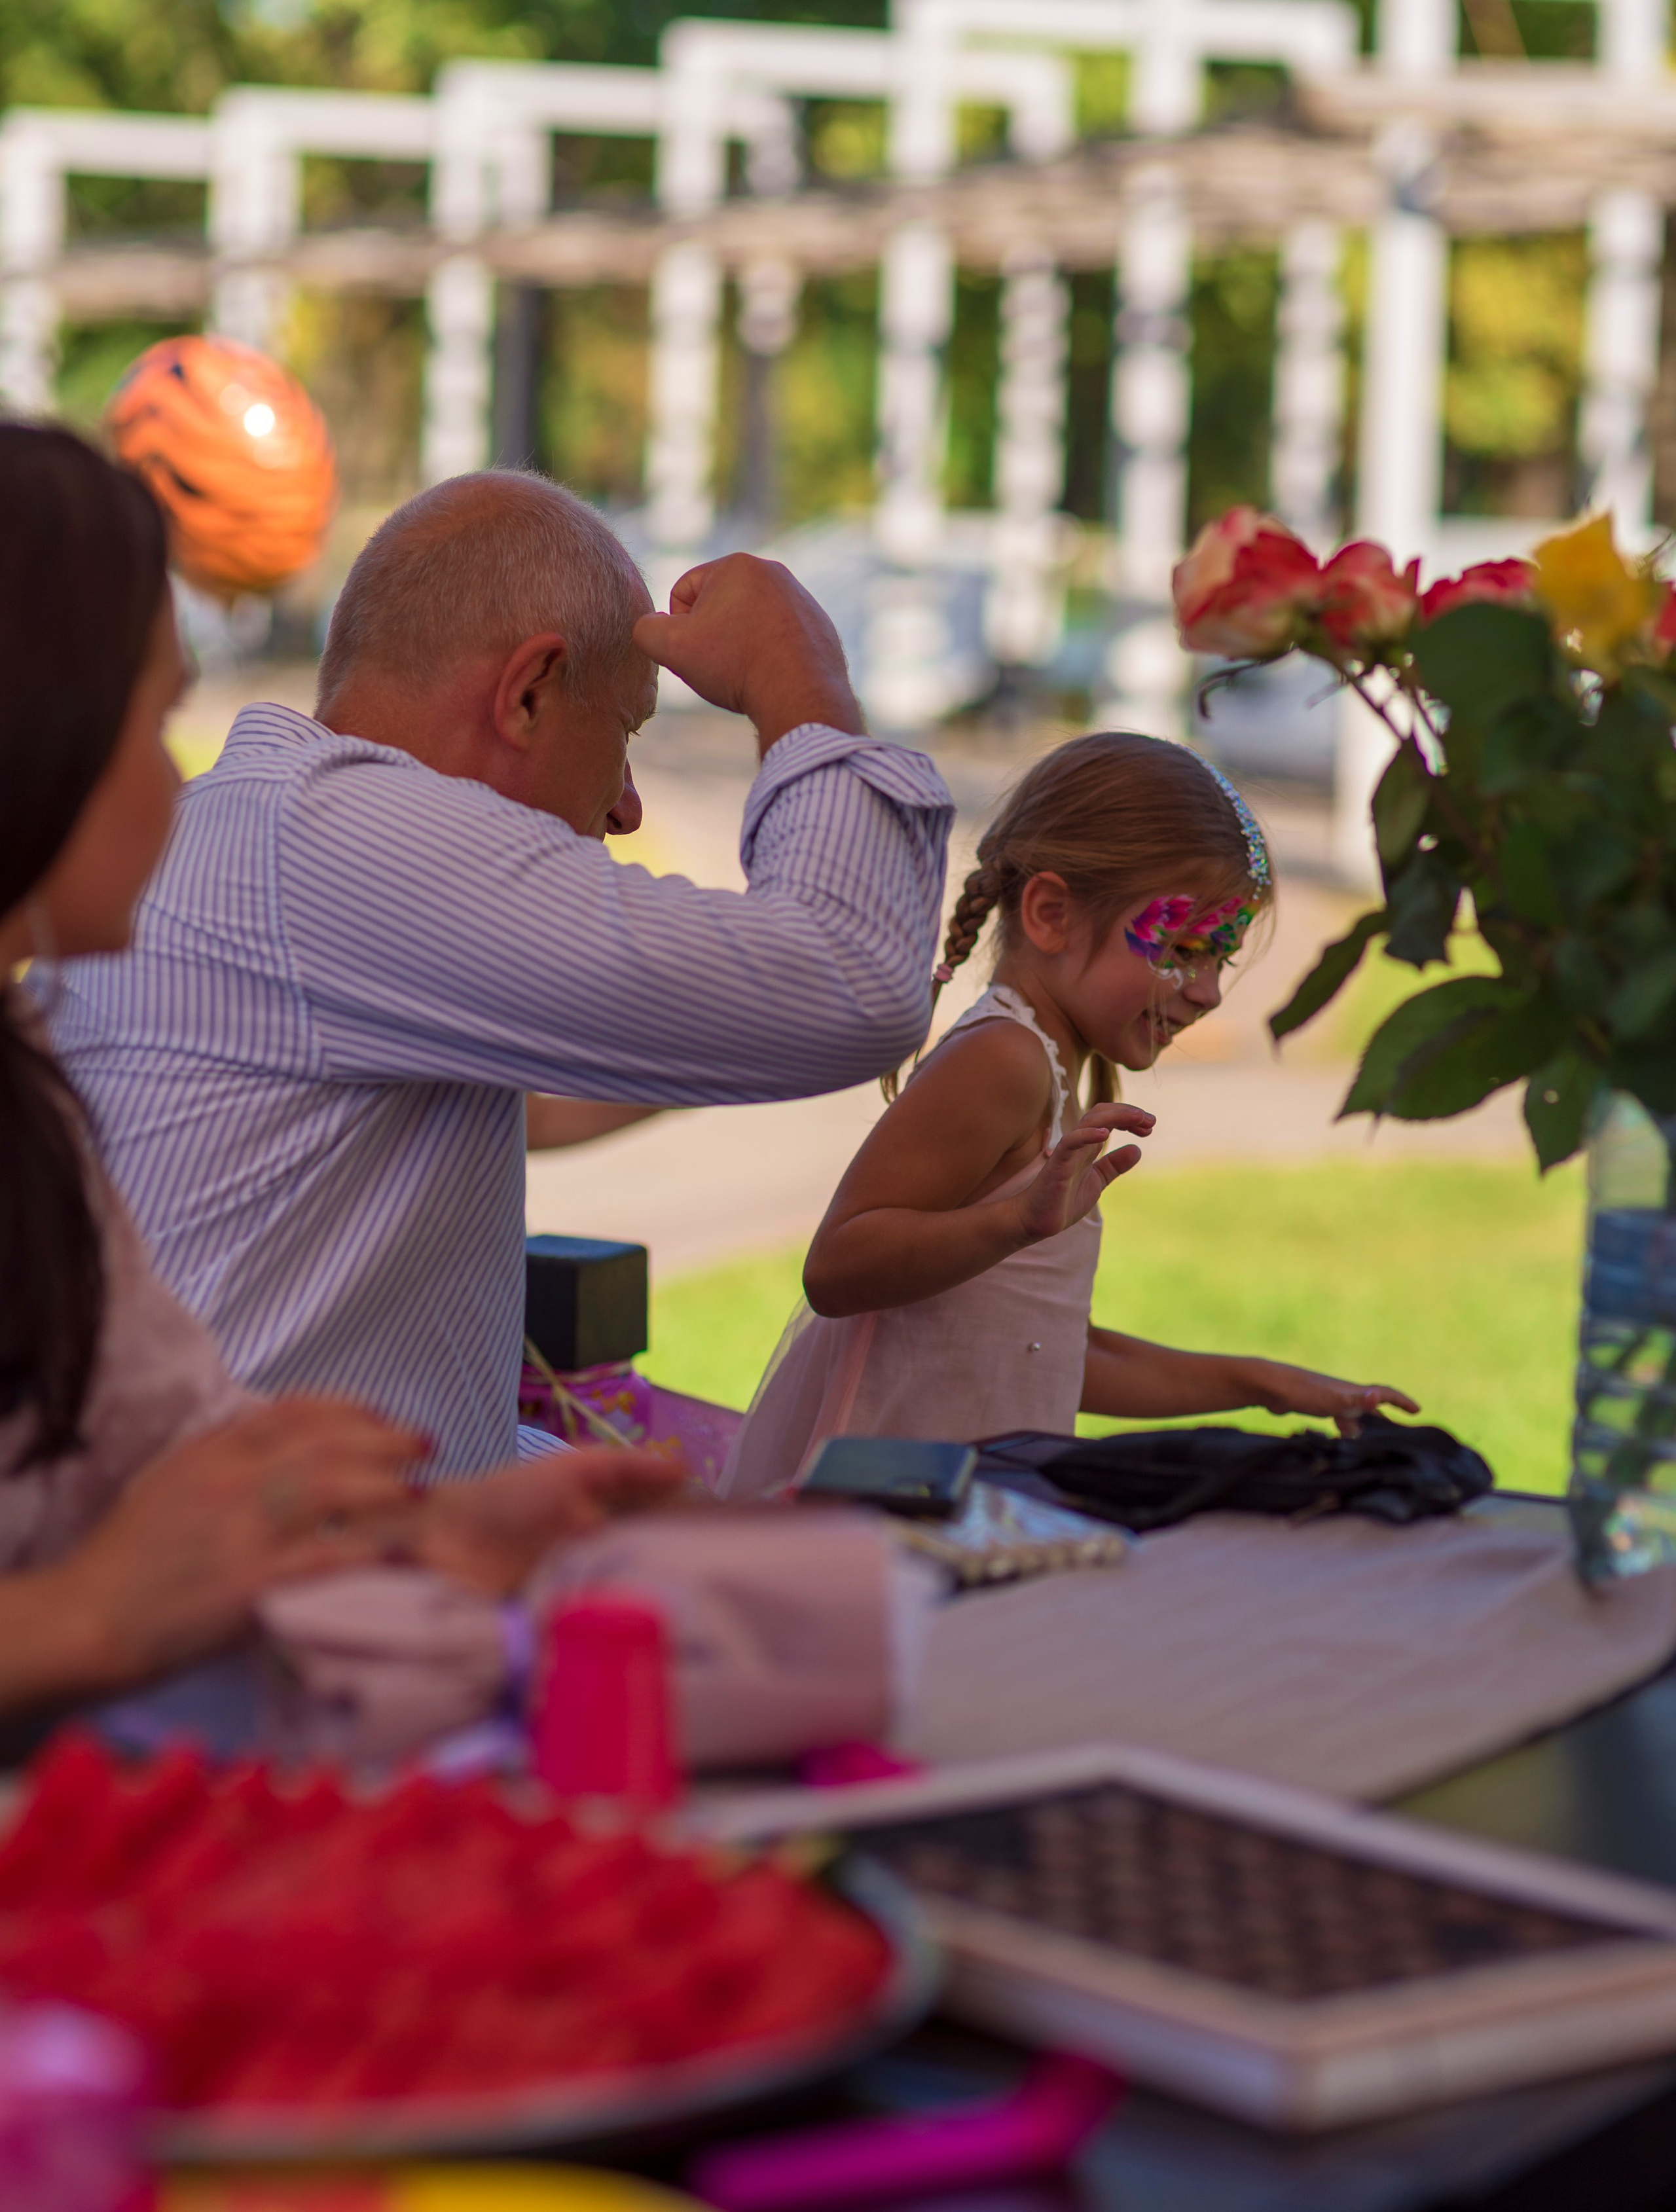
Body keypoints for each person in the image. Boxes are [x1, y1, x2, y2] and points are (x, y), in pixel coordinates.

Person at [52, 468, 953, 1476]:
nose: (626, 807)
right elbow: (852, 978)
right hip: (242, 1606)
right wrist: (804, 685)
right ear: (528, 692)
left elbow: (521, 1114)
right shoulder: (349, 836)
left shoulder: (283, 832)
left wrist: (538, 1469)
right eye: (625, 732)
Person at [0, 424, 682, 1722]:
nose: (176, 776)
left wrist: (441, 1531)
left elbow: (186, 1431)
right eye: (154, 721)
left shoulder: (25, 1081)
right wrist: (82, 1616)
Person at [722, 733, 1418, 1498]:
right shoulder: (1005, 1061)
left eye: (1222, 956)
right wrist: (1014, 1222)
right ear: (1051, 913)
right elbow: (837, 1268)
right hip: (896, 1510)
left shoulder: (1051, 1064)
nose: (1209, 990)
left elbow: (1047, 1349)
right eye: (1183, 947)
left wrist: (1259, 1381)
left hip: (957, 1503)